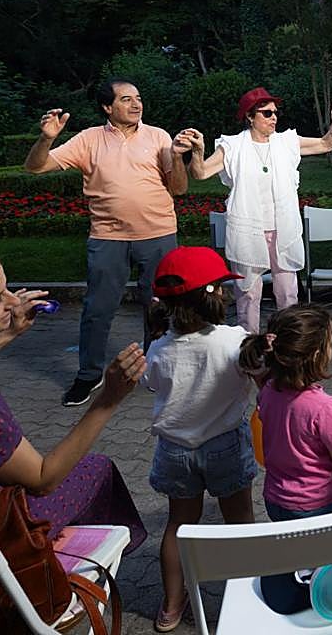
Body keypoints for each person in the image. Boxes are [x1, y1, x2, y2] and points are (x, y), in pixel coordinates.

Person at [0, 238, 147, 552]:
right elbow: (43, 479)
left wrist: (5, 334)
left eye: (7, 288)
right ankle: (63, 578)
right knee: (96, 469)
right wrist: (108, 399)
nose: (12, 302)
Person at [25, 81, 189, 406]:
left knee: (158, 307)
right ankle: (89, 374)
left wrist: (179, 158)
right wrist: (47, 138)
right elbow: (36, 167)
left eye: (138, 98)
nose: (136, 104)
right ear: (107, 107)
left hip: (158, 234)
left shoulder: (158, 136)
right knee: (97, 310)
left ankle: (155, 369)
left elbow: (180, 189)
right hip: (107, 237)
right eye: (126, 99)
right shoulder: (88, 139)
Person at [142, 246, 257, 632]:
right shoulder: (233, 340)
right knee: (239, 519)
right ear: (212, 297)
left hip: (175, 450)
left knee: (178, 524)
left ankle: (171, 607)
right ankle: (248, 596)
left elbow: (150, 384)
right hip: (226, 442)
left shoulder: (159, 347)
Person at [180, 88, 332, 332]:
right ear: (250, 116)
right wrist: (198, 151)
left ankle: (288, 342)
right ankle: (249, 347)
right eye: (267, 113)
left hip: (283, 228)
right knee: (247, 294)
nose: (273, 118)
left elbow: (325, 144)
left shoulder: (286, 142)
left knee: (288, 292)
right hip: (249, 229)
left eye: (275, 113)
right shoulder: (233, 146)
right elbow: (201, 172)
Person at [238, 304, 332, 522]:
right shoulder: (323, 405)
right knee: (328, 553)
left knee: (293, 552)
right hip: (321, 503)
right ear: (317, 355)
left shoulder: (268, 391)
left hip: (276, 499)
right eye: (330, 344)